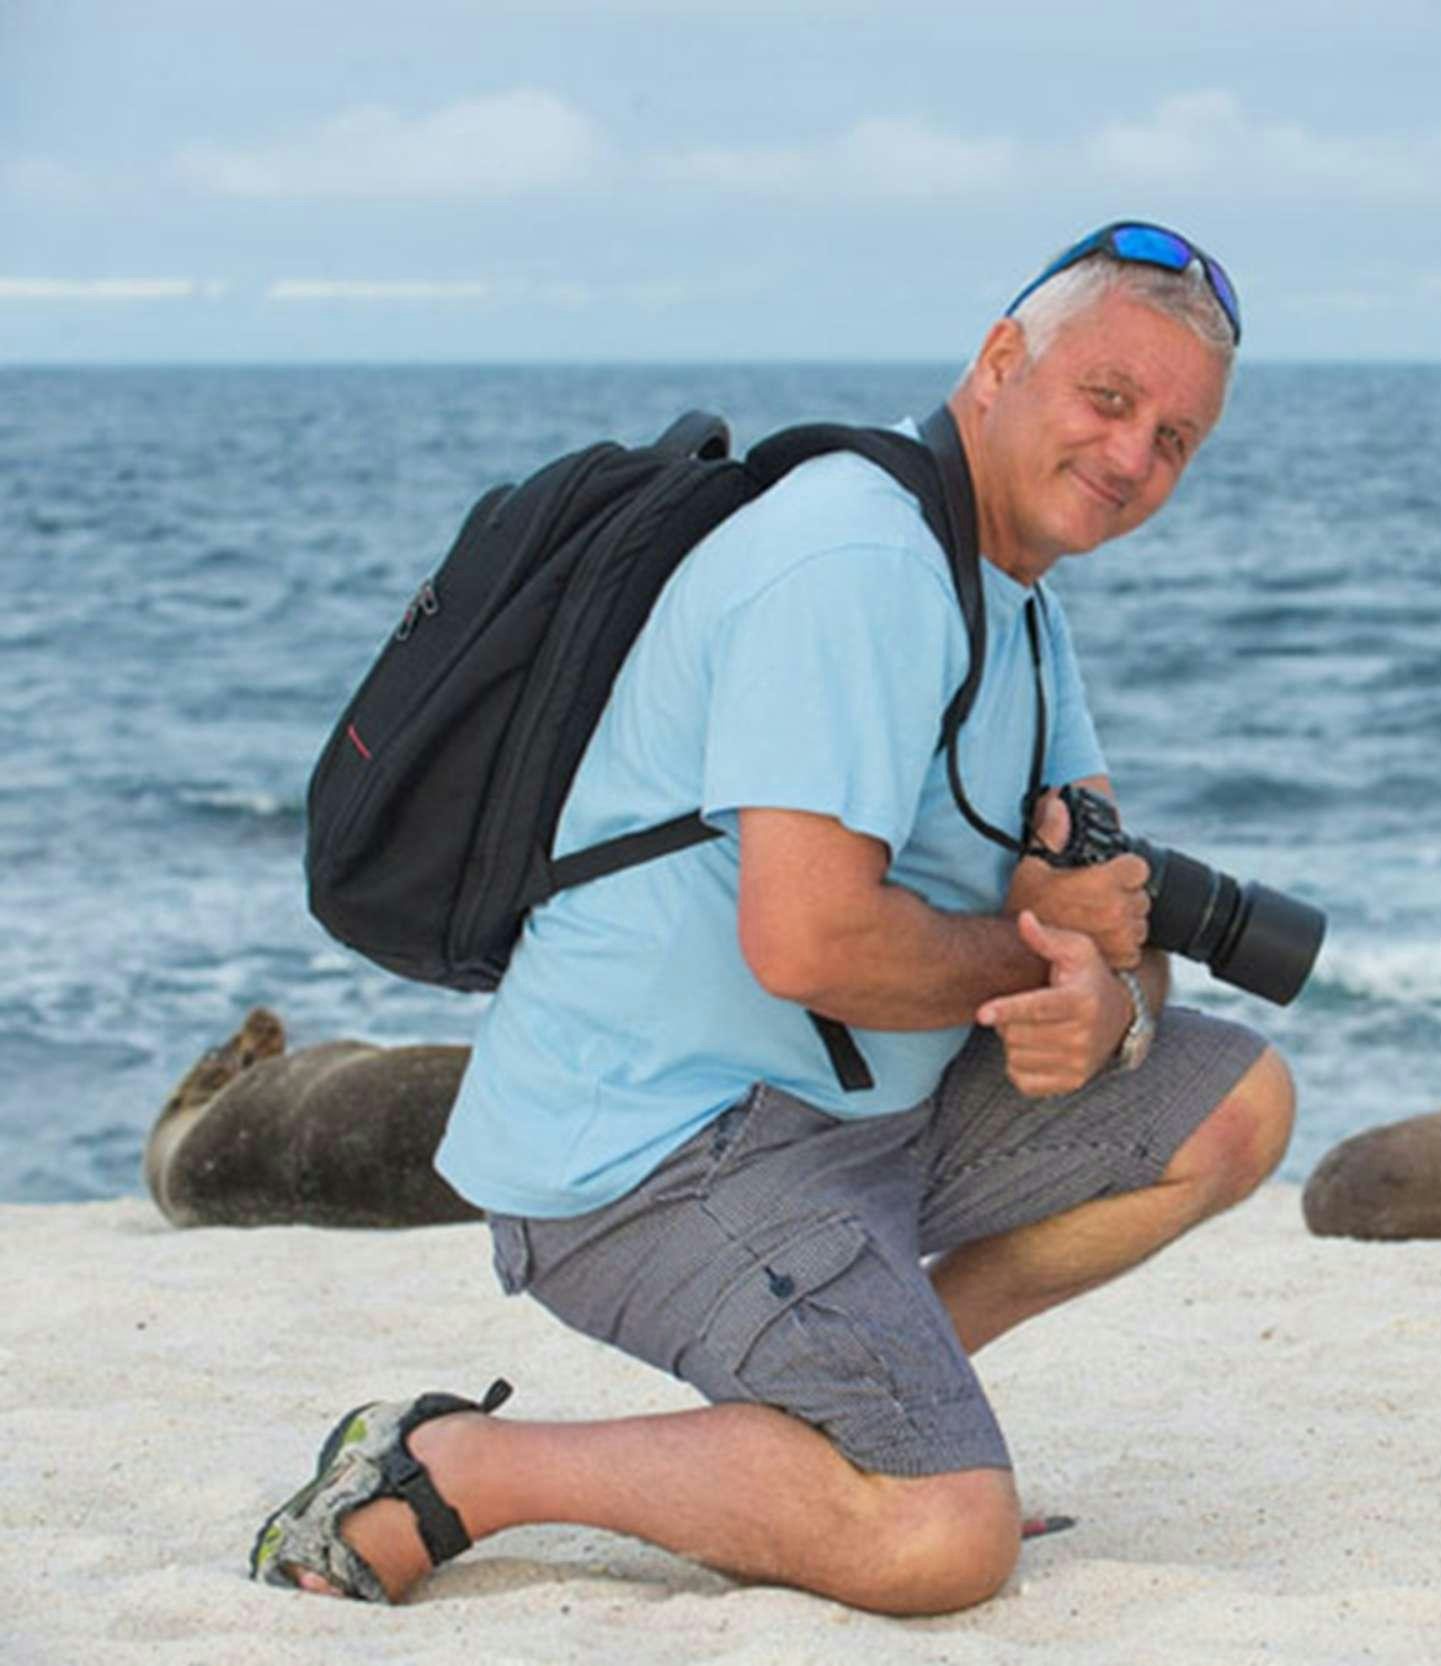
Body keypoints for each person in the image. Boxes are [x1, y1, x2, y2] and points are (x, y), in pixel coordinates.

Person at [249, 222, 1295, 1616]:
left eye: (1175, 439)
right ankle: (462, 1462)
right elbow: (808, 946)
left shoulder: (1018, 606)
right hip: (659, 1147)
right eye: (1109, 400)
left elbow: (1101, 903)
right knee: (940, 1539)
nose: (1132, 457)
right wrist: (1043, 960)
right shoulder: (852, 561)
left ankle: (877, 1409)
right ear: (1000, 365)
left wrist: (1111, 999)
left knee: (1235, 1104)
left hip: (858, 1117)